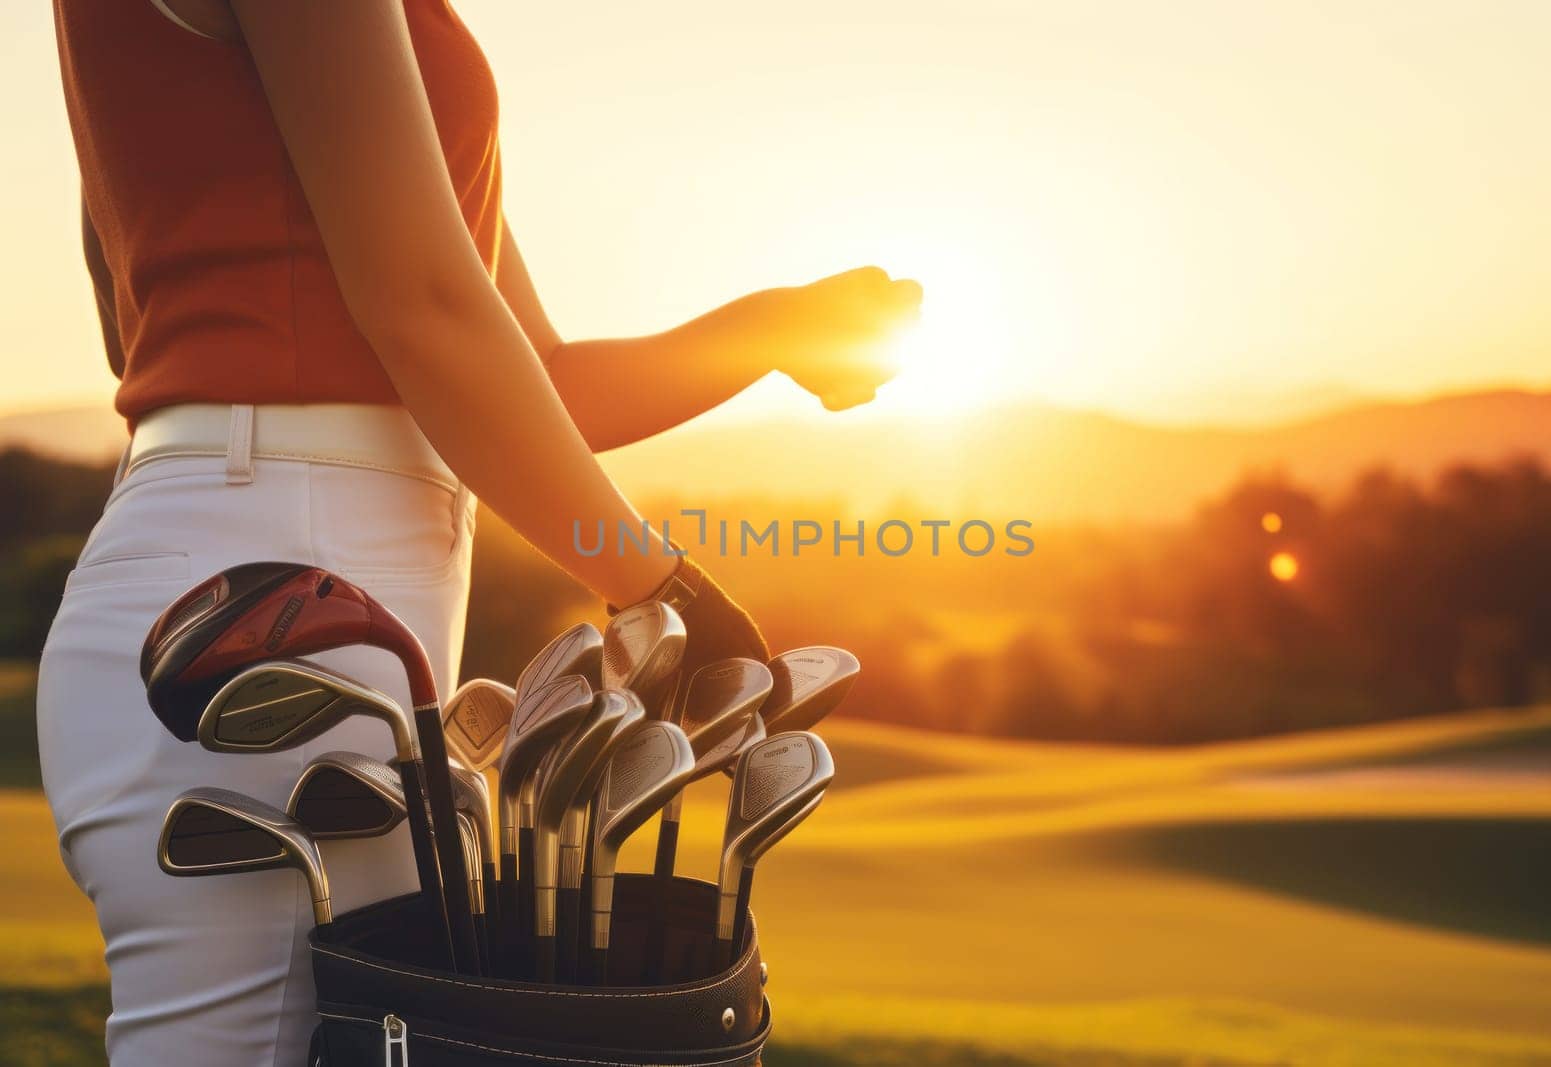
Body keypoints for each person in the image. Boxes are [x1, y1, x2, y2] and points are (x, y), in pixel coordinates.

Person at [40, 1, 921, 1062]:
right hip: (270, 558)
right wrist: (659, 585)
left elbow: (517, 374)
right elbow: (422, 312)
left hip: (262, 536)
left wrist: (770, 330)